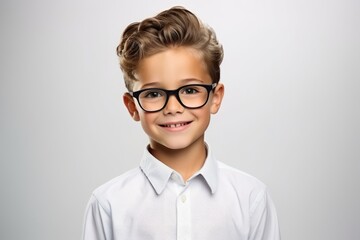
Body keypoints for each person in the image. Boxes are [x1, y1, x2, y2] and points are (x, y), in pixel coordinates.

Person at [82, 6, 281, 240]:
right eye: (154, 93)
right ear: (132, 106)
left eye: (190, 90)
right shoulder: (108, 205)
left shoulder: (251, 199)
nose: (173, 108)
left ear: (215, 98)